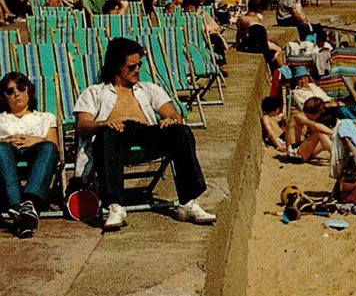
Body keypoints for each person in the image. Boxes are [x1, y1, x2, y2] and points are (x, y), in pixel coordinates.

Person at [73, 37, 217, 231]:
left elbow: (174, 115)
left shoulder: (149, 89)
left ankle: (188, 202)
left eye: (139, 65)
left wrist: (171, 120)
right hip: (114, 135)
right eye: (131, 66)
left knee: (181, 132)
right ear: (116, 66)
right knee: (106, 135)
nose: (137, 70)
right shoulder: (94, 92)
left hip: (146, 133)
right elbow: (82, 126)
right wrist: (103, 124)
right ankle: (115, 206)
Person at [0, 73, 59, 239]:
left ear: (28, 90)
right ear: (4, 96)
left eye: (20, 88)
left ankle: (28, 203)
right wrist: (4, 141)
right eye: (10, 91)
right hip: (6, 151)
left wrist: (36, 140)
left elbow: (55, 147)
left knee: (49, 147)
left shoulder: (45, 117)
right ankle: (21, 209)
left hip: (37, 149)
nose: (16, 94)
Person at [182, 0, 229, 77]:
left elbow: (215, 26)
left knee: (216, 39)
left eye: (192, 8)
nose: (189, 11)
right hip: (187, 40)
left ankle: (222, 64)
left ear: (196, 8)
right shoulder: (181, 16)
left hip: (204, 37)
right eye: (187, 9)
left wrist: (204, 27)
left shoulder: (202, 14)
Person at [286, 97, 334, 163]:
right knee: (318, 132)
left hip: (302, 150)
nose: (318, 116)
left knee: (326, 135)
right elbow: (317, 126)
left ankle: (345, 153)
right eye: (319, 114)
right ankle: (337, 155)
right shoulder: (298, 117)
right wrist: (334, 132)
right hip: (294, 153)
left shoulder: (306, 119)